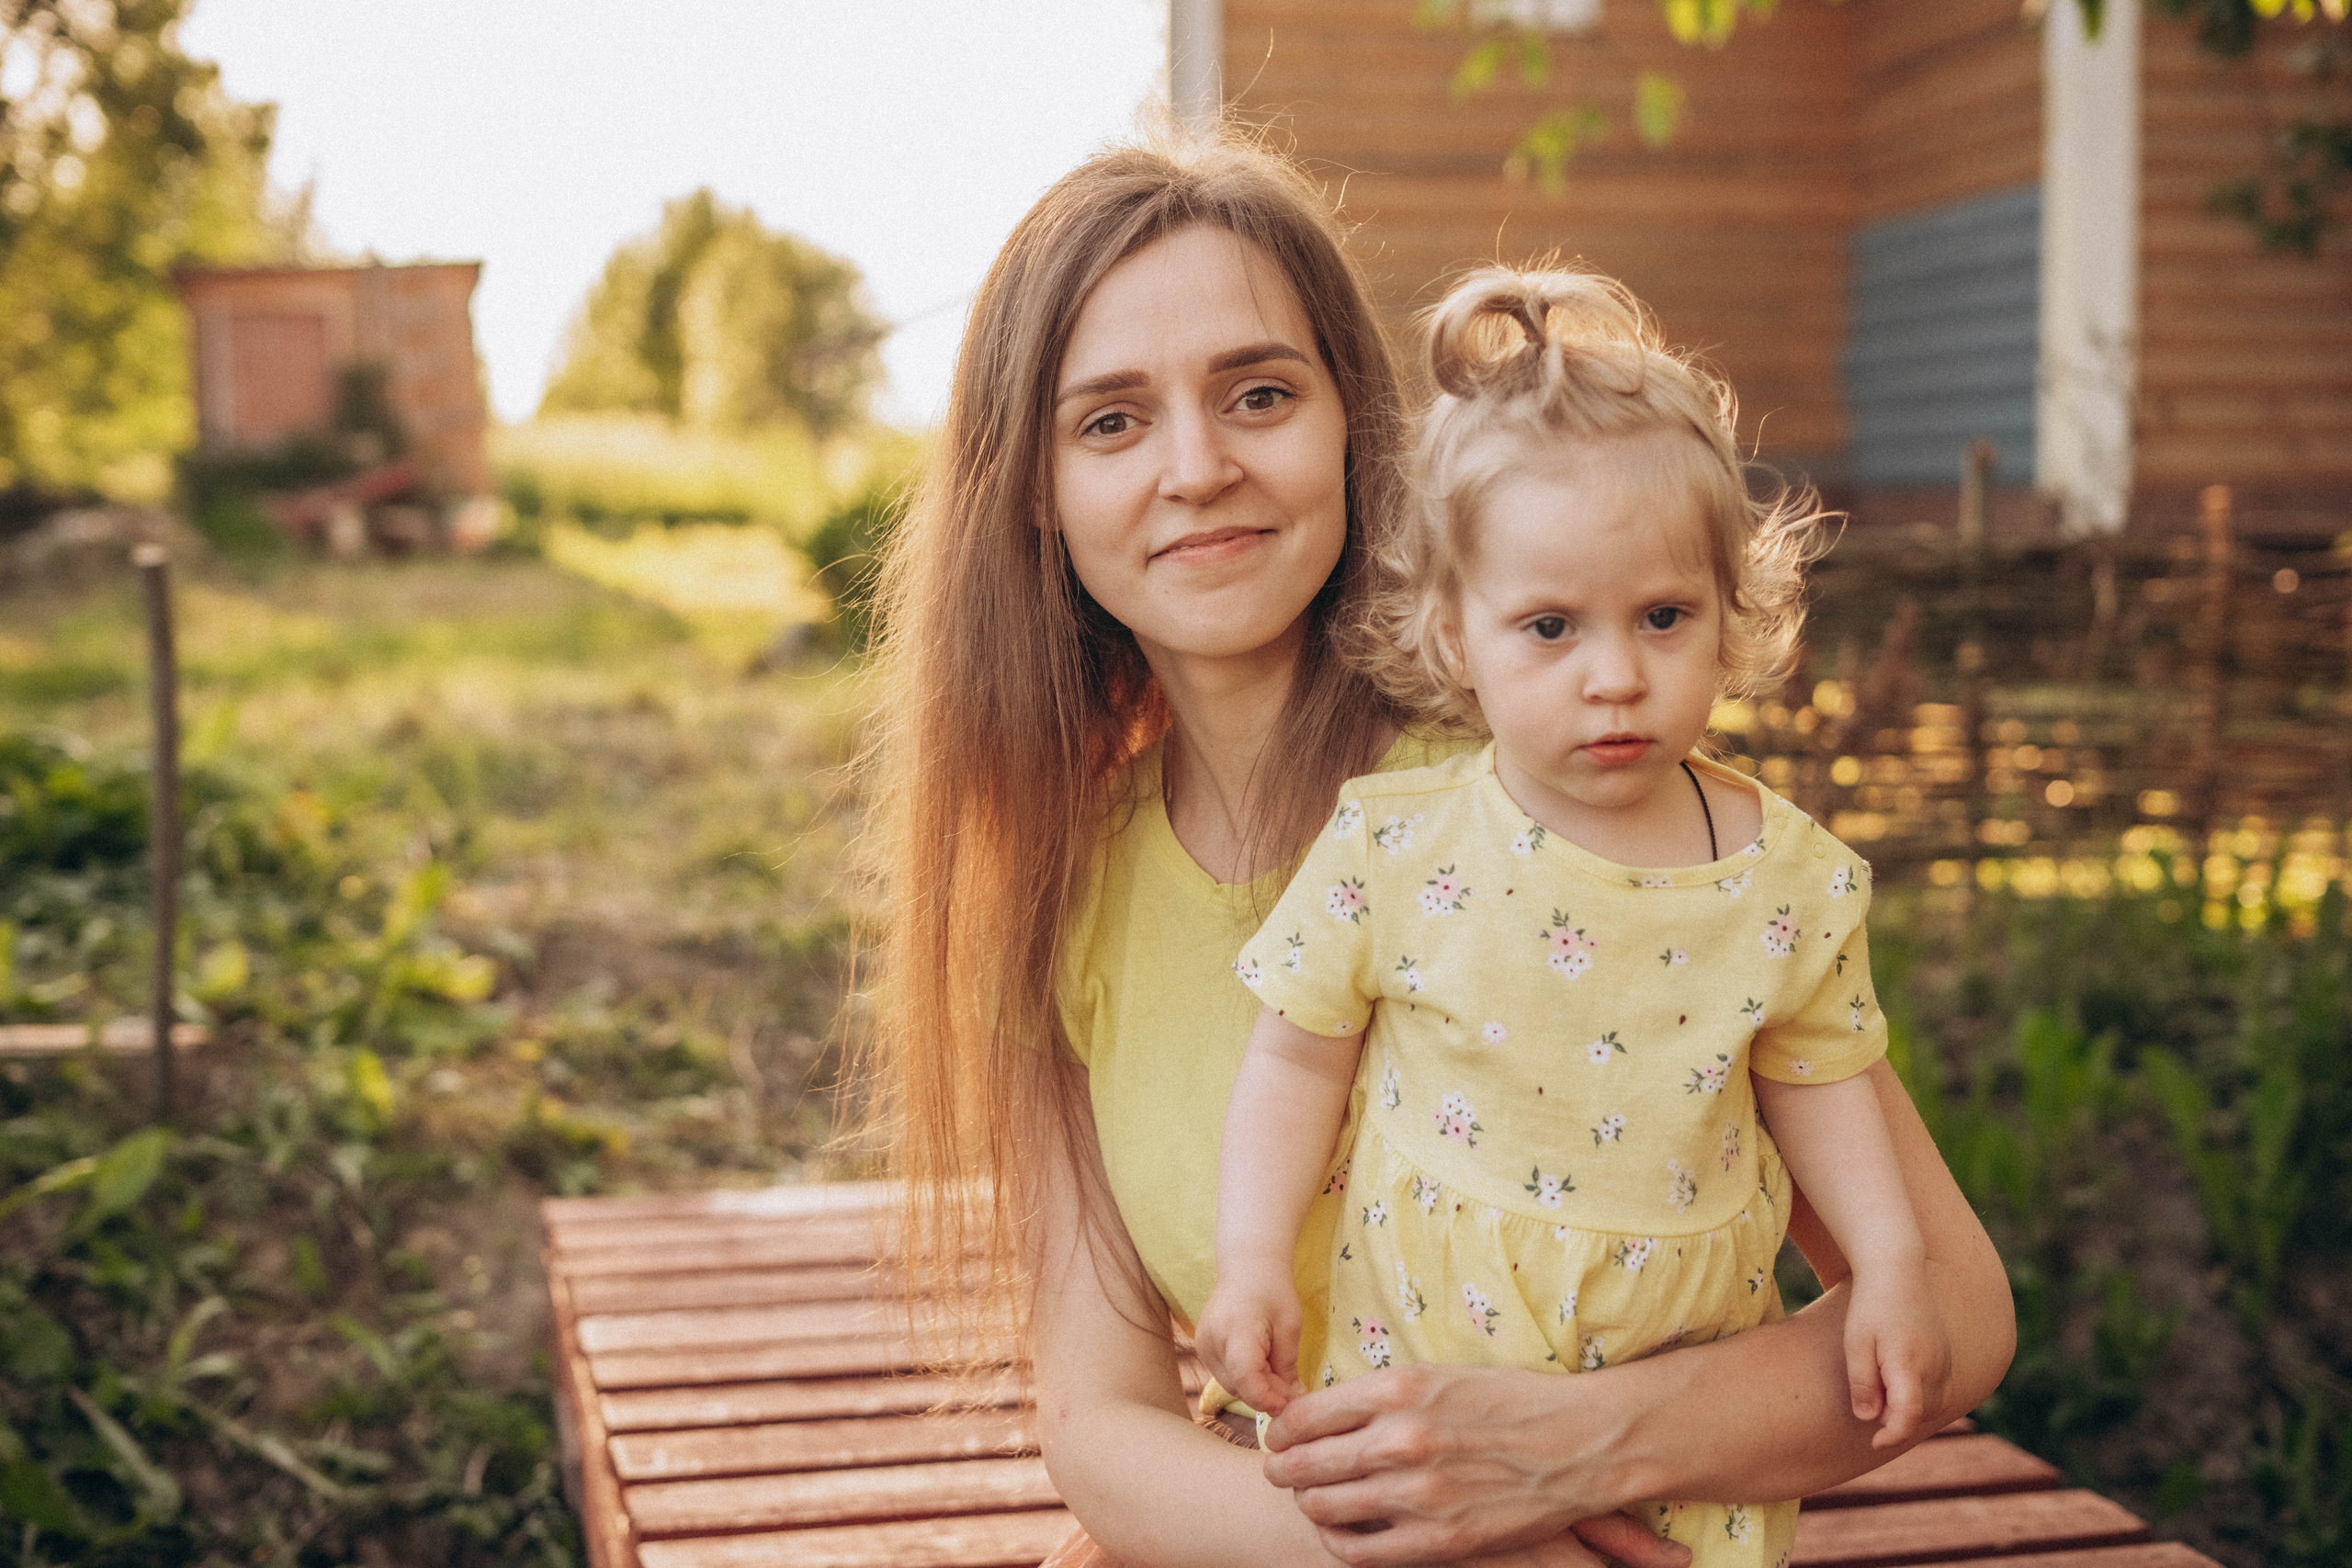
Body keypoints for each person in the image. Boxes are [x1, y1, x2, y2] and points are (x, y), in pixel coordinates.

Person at [862, 125, 2014, 1568]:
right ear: (1036, 492)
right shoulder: (1060, 886)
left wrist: (1566, 1454)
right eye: (1111, 422)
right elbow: (1100, 1422)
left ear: (1357, 422)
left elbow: (1954, 1315)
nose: (1198, 466)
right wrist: (1422, 1551)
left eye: (1259, 394)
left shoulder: (1554, 799)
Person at [1193, 267, 1950, 1568]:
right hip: (1435, 1346)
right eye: (1550, 626)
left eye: (1665, 617)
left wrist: (1885, 1265)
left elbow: (1825, 1078)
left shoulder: (1786, 882)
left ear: (1733, 613)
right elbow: (1296, 1052)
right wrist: (1252, 1256)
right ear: (1456, 633)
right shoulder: (1397, 842)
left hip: (1674, 1375)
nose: (1615, 677)